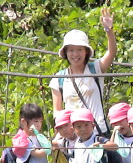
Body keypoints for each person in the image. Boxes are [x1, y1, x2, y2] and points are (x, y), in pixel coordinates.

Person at [49, 8, 117, 136]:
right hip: (74, 136)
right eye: (71, 50)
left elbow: (111, 53)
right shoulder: (58, 79)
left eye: (79, 49)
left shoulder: (95, 69)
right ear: (66, 52)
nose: (75, 54)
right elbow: (57, 112)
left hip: (97, 132)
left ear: (86, 52)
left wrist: (109, 30)